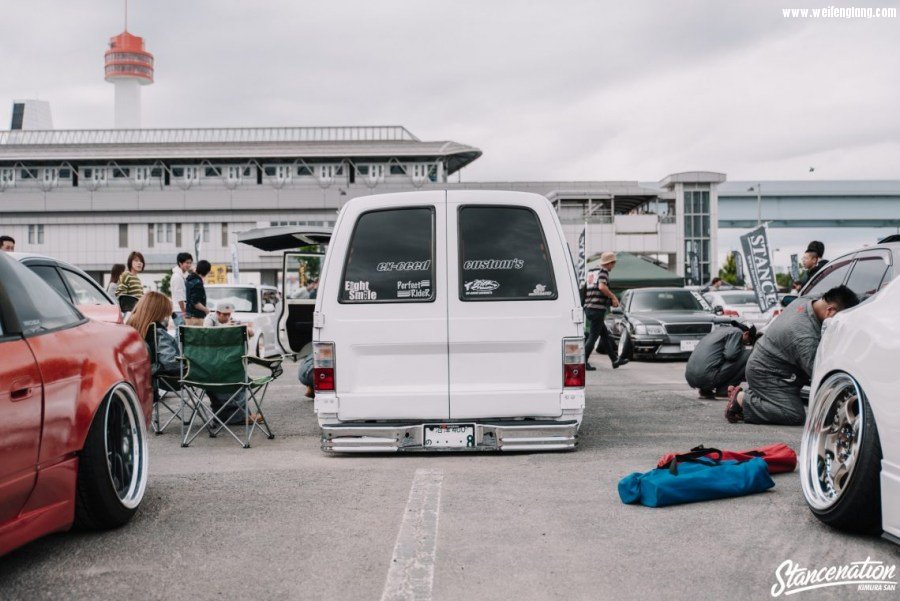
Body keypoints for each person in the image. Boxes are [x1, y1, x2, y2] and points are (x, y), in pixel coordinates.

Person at [725, 285, 859, 425]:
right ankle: (742, 400)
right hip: (766, 374)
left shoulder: (808, 300)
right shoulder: (804, 336)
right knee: (793, 414)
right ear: (830, 311)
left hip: (767, 364)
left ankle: (761, 396)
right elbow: (819, 375)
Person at [685, 321, 757, 399]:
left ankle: (705, 391)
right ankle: (724, 390)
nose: (746, 344)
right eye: (748, 341)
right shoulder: (737, 332)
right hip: (706, 377)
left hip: (690, 377)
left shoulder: (720, 330)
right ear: (746, 334)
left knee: (714, 360)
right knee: (750, 354)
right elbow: (730, 355)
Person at [583, 251, 628, 370]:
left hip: (588, 307)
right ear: (609, 263)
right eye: (613, 264)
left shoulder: (592, 271)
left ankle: (615, 360)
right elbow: (602, 287)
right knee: (593, 337)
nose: (613, 266)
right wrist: (613, 297)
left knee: (605, 335)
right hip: (597, 308)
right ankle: (583, 362)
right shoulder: (603, 271)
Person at [127, 292, 181, 377]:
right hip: (156, 380)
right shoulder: (158, 333)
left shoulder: (128, 327)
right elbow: (170, 363)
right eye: (164, 313)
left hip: (135, 377)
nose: (164, 317)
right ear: (158, 312)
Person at [184, 260, 211, 326]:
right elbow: (195, 303)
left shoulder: (189, 279)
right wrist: (206, 310)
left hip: (189, 316)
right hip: (196, 317)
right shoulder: (197, 283)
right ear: (206, 271)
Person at [170, 252, 193, 328]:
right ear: (180, 263)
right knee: (180, 334)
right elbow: (180, 296)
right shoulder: (177, 277)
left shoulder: (183, 275)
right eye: (187, 263)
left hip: (181, 310)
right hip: (179, 311)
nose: (189, 265)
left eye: (190, 263)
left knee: (181, 334)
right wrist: (184, 312)